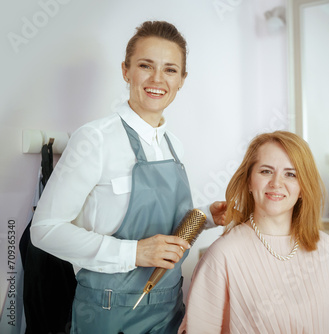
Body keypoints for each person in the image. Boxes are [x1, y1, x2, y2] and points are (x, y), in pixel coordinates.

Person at [30, 21, 226, 333]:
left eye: (170, 70)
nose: (157, 79)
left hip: (168, 309)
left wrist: (207, 215)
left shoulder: (174, 145)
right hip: (108, 312)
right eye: (145, 66)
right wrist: (134, 253)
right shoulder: (94, 139)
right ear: (126, 71)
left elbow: (167, 230)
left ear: (182, 80)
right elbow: (44, 230)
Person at [179, 131, 329, 333]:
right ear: (248, 182)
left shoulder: (324, 246)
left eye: (290, 174)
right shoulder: (222, 256)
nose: (276, 183)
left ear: (302, 188)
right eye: (266, 171)